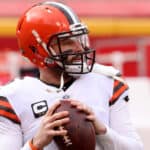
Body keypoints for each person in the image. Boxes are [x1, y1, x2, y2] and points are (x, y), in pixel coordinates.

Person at [0, 1, 143, 150]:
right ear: (37, 51)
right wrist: (35, 144)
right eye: (67, 42)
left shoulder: (107, 83)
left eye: (79, 39)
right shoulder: (13, 97)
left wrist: (103, 131)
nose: (79, 48)